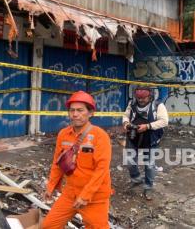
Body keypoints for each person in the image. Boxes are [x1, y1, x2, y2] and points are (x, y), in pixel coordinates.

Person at [42, 91, 112, 229]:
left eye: (80, 110)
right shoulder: (63, 134)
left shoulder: (100, 136)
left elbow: (101, 170)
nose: (75, 114)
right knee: (48, 226)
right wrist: (50, 186)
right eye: (72, 110)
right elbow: (58, 163)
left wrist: (86, 195)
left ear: (90, 113)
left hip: (94, 198)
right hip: (70, 193)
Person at [122, 86, 168, 200]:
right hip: (133, 136)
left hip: (150, 137)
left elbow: (164, 121)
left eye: (143, 98)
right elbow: (125, 116)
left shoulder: (158, 105)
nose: (140, 100)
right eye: (138, 98)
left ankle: (148, 187)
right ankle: (136, 179)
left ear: (150, 96)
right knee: (129, 161)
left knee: (149, 164)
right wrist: (126, 123)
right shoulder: (132, 104)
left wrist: (148, 126)